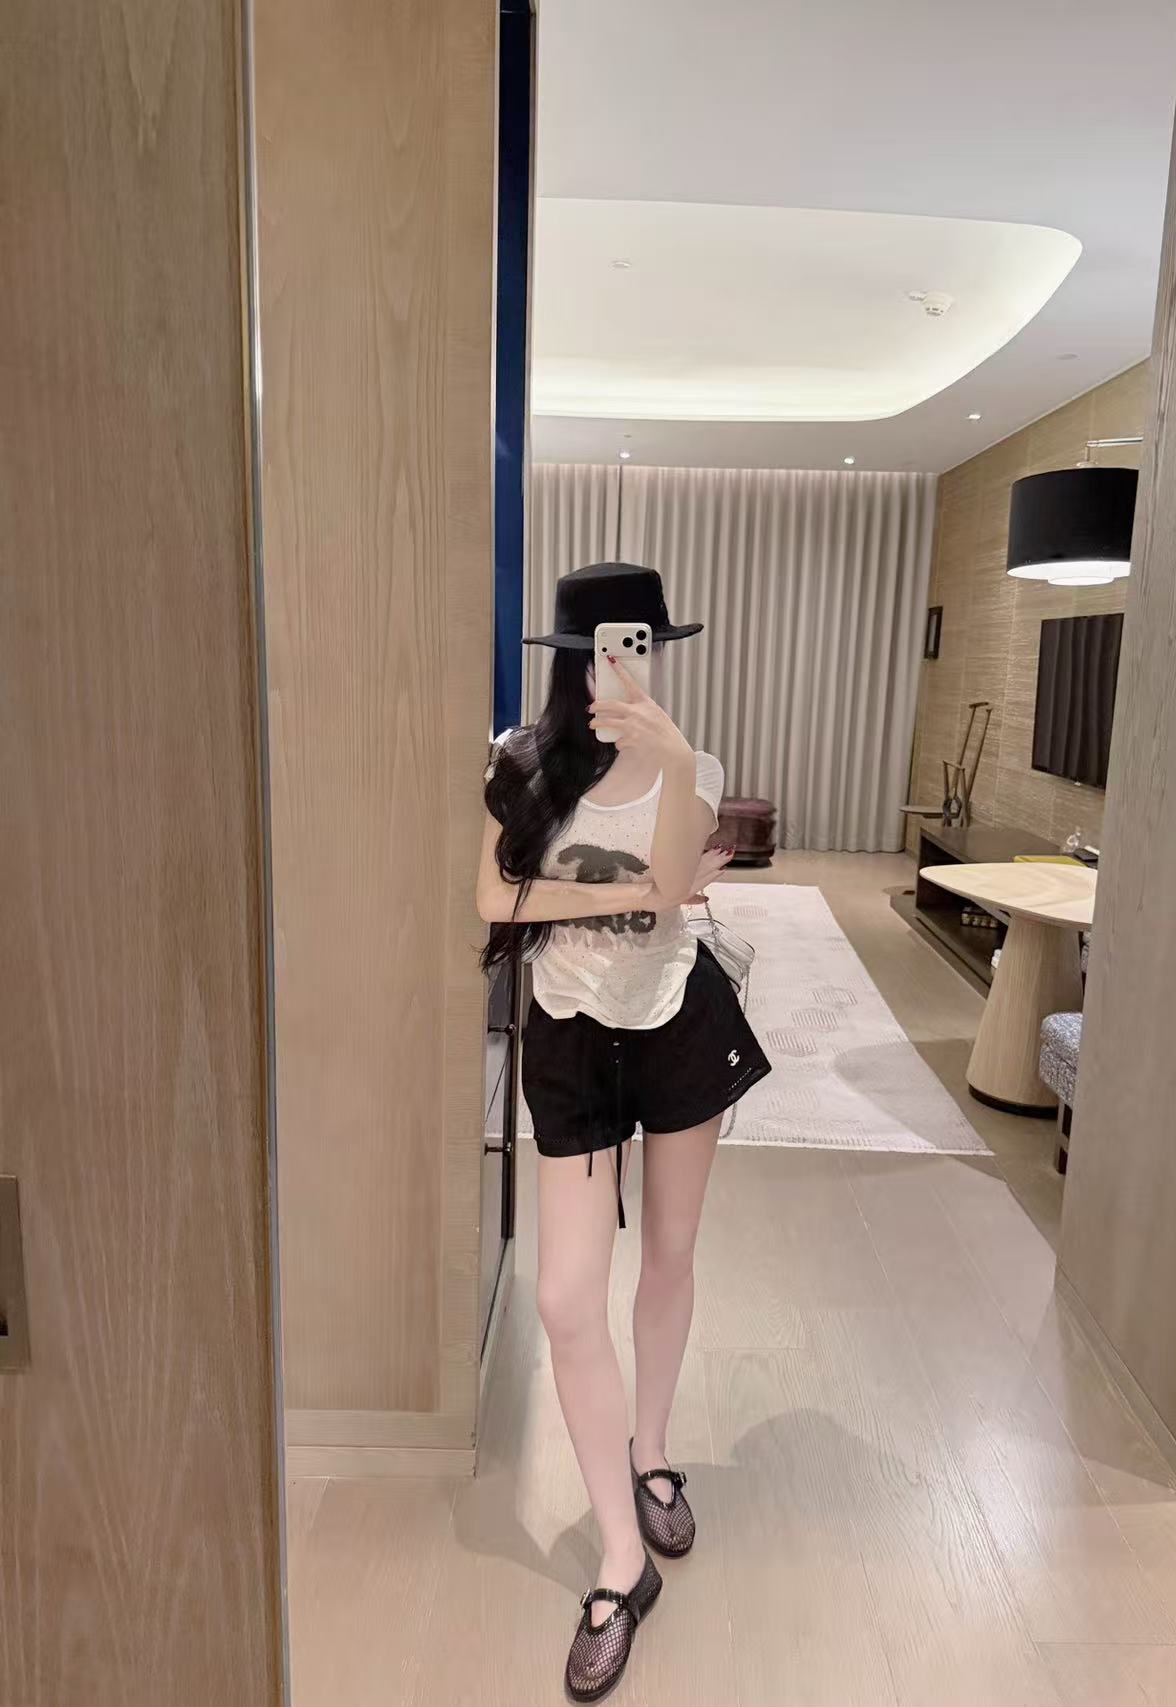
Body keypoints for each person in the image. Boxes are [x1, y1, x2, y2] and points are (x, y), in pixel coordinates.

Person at [476, 562, 772, 1703]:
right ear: (571, 656)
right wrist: (627, 895)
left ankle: (651, 1454)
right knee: (564, 1300)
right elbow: (494, 900)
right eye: (604, 648)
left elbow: (680, 881)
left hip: (675, 1020)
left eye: (638, 647)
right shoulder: (518, 763)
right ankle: (618, 1557)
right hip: (568, 1031)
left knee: (671, 1254)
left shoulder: (691, 764)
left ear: (657, 649)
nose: (621, 669)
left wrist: (673, 761)